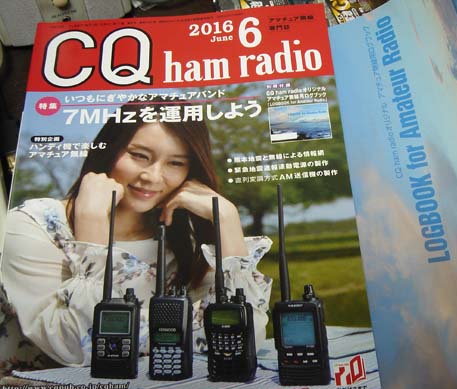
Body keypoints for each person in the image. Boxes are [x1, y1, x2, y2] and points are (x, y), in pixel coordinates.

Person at [0, 101, 272, 370]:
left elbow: (241, 338)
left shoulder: (181, 242)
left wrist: (227, 219)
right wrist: (92, 224)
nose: (153, 177)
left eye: (176, 163)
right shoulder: (32, 226)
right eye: (139, 156)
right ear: (110, 148)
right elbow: (79, 345)